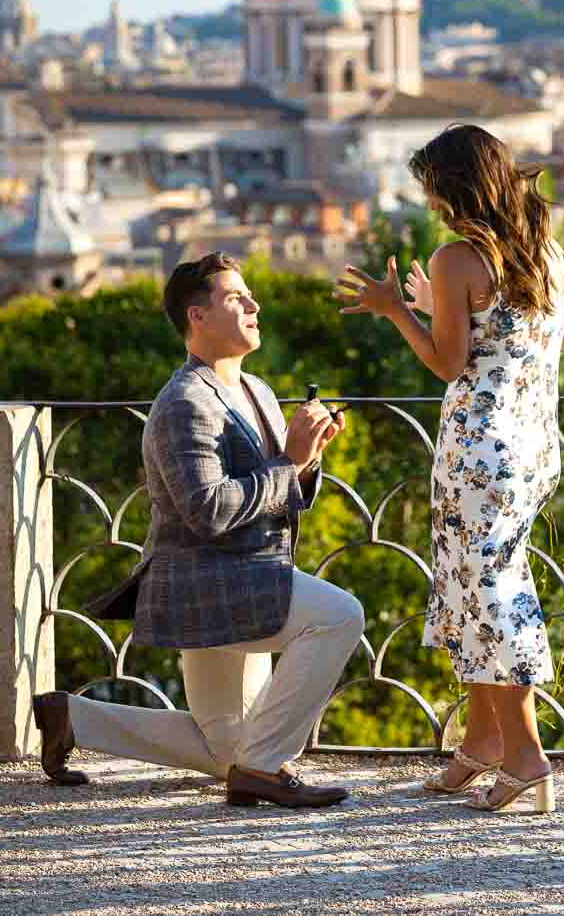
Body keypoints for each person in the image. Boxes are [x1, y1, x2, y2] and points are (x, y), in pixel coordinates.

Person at [33, 252, 364, 809]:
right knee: (341, 615)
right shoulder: (185, 402)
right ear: (197, 317)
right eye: (236, 298)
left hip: (244, 576)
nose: (254, 305)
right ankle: (262, 770)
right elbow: (205, 509)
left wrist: (305, 461)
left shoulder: (255, 389)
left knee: (222, 752)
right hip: (210, 587)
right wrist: (289, 465)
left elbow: (276, 485)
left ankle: (72, 717)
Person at [334, 125, 564, 814]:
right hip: (530, 445)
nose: (429, 202)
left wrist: (395, 311)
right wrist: (436, 306)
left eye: (432, 189)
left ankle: (524, 757)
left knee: (490, 595)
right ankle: (482, 744)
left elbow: (446, 363)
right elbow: (505, 342)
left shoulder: (456, 258)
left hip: (476, 447)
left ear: (453, 187)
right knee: (475, 586)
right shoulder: (544, 253)